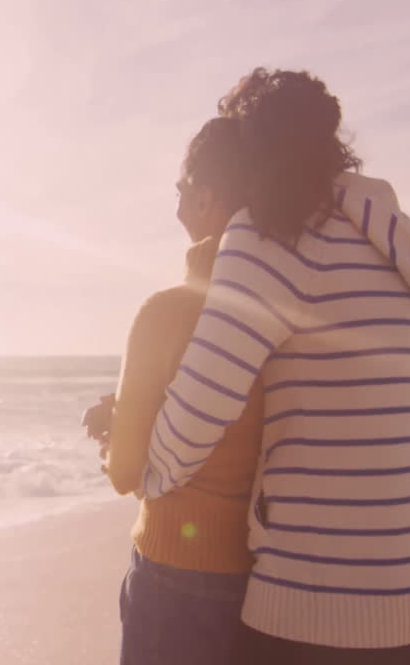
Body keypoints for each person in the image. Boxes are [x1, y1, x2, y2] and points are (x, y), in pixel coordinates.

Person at [137, 68, 410, 664]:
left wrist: (144, 475)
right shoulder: (403, 247)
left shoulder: (272, 238)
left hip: (314, 610)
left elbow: (195, 419)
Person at [82, 116, 265, 665]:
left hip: (172, 572)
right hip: (256, 573)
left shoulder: (165, 313)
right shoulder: (276, 311)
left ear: (206, 198)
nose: (178, 203)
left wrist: (115, 433)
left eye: (182, 190)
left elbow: (125, 474)